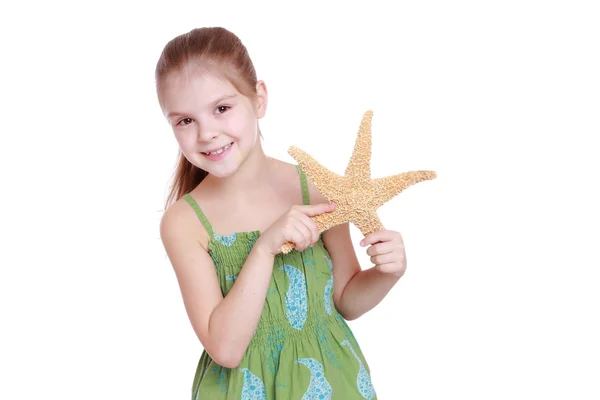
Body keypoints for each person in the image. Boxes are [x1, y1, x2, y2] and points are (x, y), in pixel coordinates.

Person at [157, 26, 407, 400]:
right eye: (185, 121)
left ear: (258, 98)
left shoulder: (314, 188)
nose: (206, 133)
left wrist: (388, 273)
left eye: (221, 108)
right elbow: (225, 349)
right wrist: (263, 248)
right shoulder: (184, 221)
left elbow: (346, 300)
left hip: (334, 384)